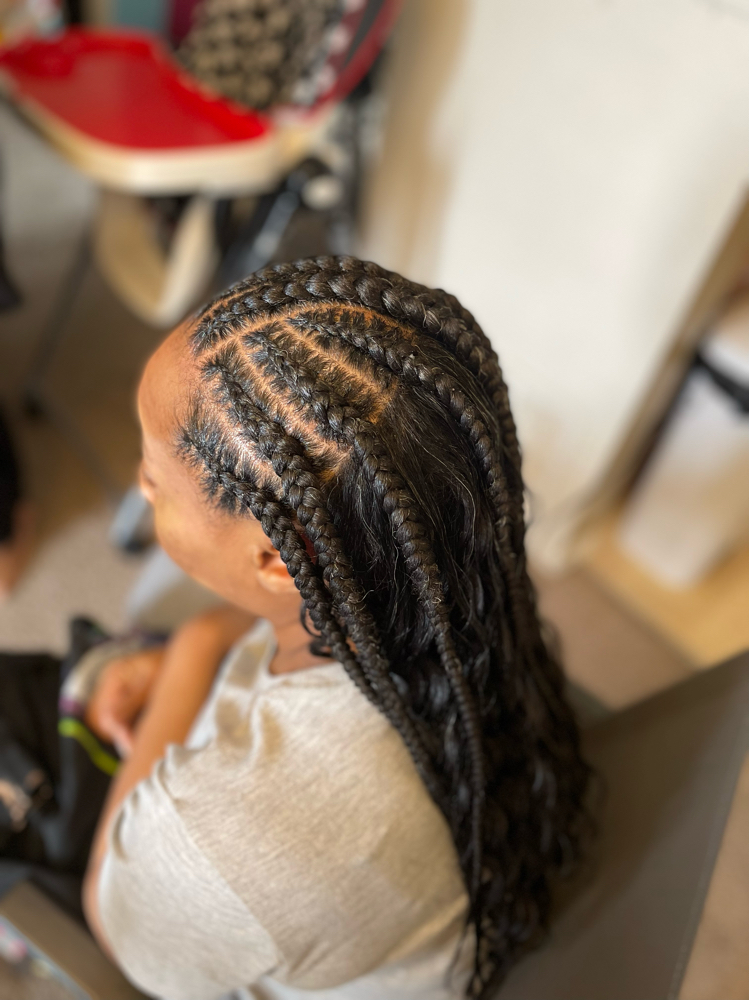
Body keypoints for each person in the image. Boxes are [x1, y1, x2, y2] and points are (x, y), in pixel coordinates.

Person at [82, 256, 591, 1000]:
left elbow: (111, 915)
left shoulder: (215, 841)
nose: (138, 484)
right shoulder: (456, 603)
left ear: (283, 563)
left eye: (155, 480)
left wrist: (191, 649)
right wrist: (215, 645)